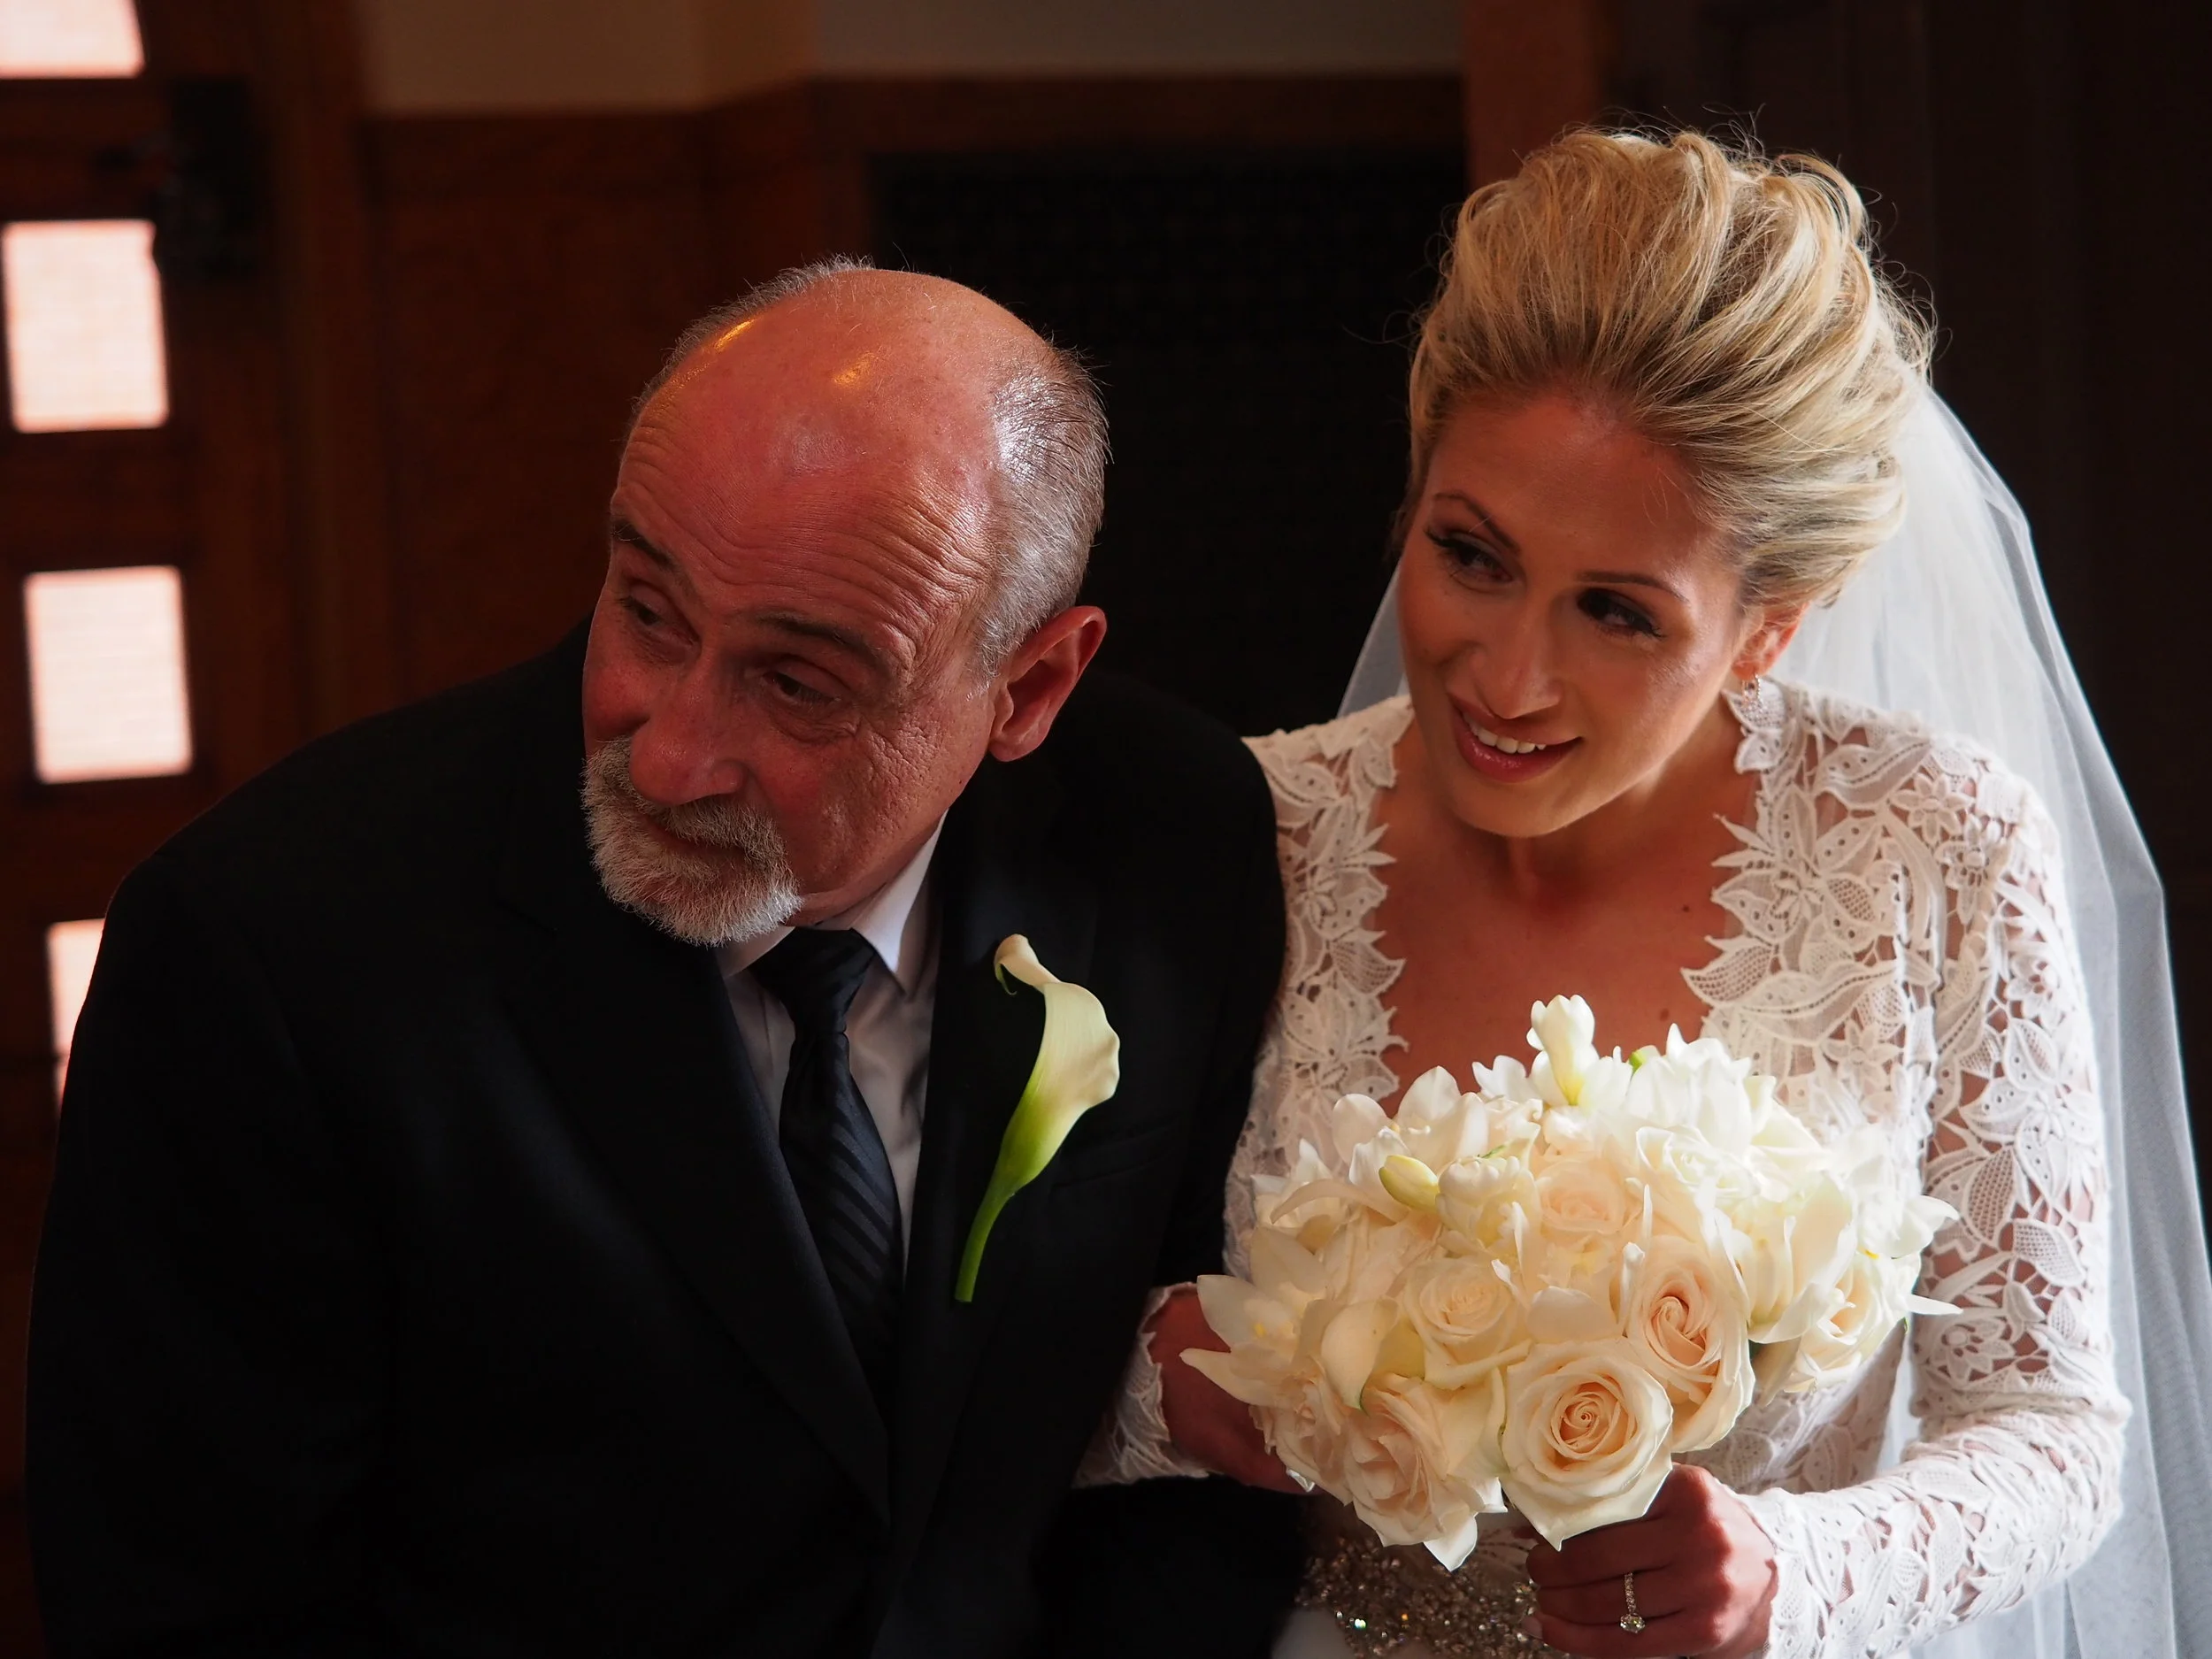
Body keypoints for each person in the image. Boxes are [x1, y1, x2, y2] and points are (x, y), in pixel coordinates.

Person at [26, 265, 1303, 1656]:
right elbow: (187, 1609)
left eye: (799, 681)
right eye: (648, 609)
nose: (670, 752)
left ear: (1032, 688)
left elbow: (1189, 1472)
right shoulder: (266, 951)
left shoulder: (1170, 829)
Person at [1089, 130, 2212, 1659]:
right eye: (1470, 553)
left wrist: (1794, 1570)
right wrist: (1155, 1389)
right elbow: (973, 1368)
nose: (1507, 675)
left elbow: (2051, 1420)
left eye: (1618, 610)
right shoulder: (1244, 831)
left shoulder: (1931, 847)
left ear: (1769, 629)